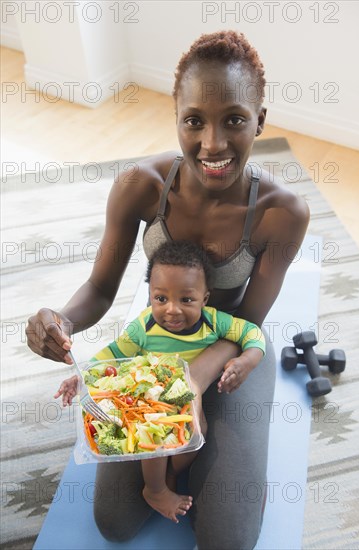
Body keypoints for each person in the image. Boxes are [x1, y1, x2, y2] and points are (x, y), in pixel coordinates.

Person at [26, 30, 309, 549]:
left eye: (235, 120)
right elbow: (99, 286)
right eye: (194, 121)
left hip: (233, 347)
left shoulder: (281, 213)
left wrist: (194, 380)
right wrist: (60, 319)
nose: (213, 144)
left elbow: (251, 320)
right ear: (176, 117)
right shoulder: (140, 185)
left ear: (260, 122)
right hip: (159, 342)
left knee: (227, 540)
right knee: (115, 521)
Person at [55, 240, 266, 523]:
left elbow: (251, 332)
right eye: (161, 298)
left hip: (190, 395)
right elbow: (113, 355)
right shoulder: (143, 326)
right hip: (150, 400)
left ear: (205, 298)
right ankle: (154, 490)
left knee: (195, 433)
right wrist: (81, 378)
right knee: (154, 438)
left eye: (186, 299)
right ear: (150, 295)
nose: (172, 310)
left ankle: (171, 473)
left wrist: (248, 359)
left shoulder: (215, 322)